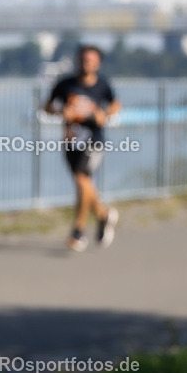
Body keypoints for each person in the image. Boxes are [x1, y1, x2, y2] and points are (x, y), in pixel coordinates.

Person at [44, 44, 122, 251]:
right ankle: (103, 216)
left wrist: (104, 115)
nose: (86, 62)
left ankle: (77, 231)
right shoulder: (65, 85)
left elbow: (115, 105)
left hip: (94, 141)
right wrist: (62, 111)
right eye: (83, 58)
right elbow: (48, 107)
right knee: (82, 185)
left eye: (91, 59)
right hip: (71, 141)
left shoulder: (102, 85)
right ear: (78, 60)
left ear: (98, 63)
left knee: (81, 178)